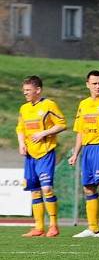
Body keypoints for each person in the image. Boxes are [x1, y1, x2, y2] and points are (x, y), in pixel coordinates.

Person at [17, 76, 66, 238]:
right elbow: (20, 129)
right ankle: (39, 227)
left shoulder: (48, 105)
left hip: (45, 153)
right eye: (24, 91)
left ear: (38, 90)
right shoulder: (24, 108)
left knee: (46, 189)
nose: (25, 93)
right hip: (30, 155)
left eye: (28, 90)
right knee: (35, 191)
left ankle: (53, 225)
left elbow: (62, 123)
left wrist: (44, 133)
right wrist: (21, 144)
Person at [68, 70, 99, 238]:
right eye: (94, 83)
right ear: (87, 85)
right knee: (88, 187)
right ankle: (92, 227)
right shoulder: (84, 104)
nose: (98, 86)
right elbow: (80, 131)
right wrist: (75, 153)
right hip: (87, 150)